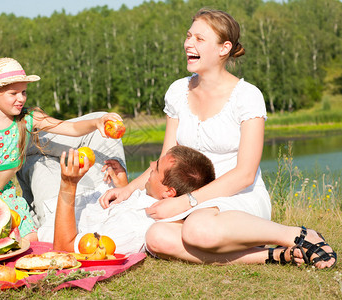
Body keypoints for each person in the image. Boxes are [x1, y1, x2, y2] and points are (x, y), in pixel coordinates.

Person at [99, 8, 336, 269]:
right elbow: (165, 161)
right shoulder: (178, 91)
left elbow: (245, 174)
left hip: (237, 196)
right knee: (156, 238)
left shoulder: (247, 96)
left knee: (197, 230)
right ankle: (273, 255)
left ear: (224, 48)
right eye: (189, 36)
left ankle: (298, 235)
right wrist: (128, 189)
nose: (188, 43)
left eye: (199, 39)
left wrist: (185, 201)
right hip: (191, 204)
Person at [0, 57, 122, 242]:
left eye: (24, 92)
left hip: (5, 194)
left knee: (32, 239)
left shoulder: (28, 119)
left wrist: (96, 122)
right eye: (13, 93)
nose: (21, 98)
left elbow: (71, 128)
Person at [52, 145, 216, 255]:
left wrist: (68, 185)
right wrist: (124, 186)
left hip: (48, 219)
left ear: (168, 192)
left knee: (37, 157)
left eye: (156, 167)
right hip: (78, 199)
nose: (151, 164)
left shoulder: (134, 229)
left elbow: (64, 248)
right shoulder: (147, 197)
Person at [17, 111, 128, 243]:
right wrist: (125, 187)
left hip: (58, 212)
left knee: (36, 159)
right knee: (102, 124)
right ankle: (15, 140)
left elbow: (59, 238)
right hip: (102, 195)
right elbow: (74, 129)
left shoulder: (55, 231)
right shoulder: (141, 212)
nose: (21, 98)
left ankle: (14, 141)